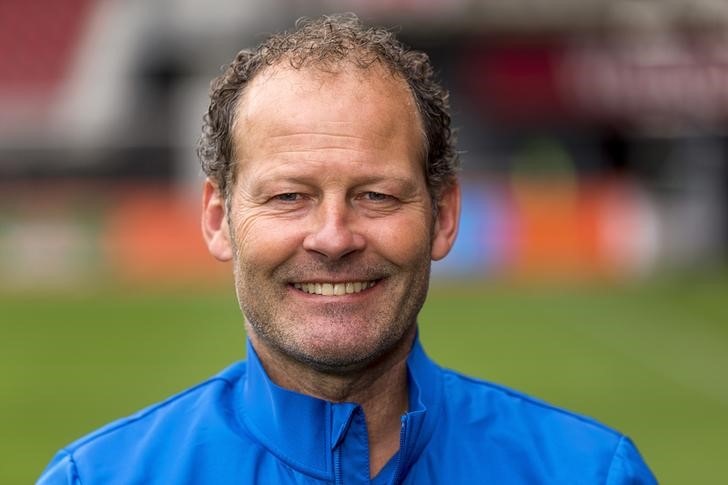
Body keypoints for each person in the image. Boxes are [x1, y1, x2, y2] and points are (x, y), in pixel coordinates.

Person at [38, 14, 657, 484]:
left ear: (443, 217)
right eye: (288, 196)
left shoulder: (588, 472)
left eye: (376, 196)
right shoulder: (96, 478)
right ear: (219, 219)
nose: (333, 237)